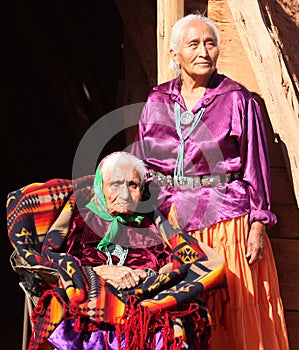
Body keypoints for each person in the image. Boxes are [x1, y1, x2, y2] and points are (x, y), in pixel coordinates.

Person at [131, 13, 290, 350]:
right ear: (175, 54)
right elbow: (141, 160)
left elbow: (255, 164)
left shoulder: (237, 99)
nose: (204, 51)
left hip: (226, 224)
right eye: (193, 44)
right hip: (171, 223)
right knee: (179, 317)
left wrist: (259, 223)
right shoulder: (158, 100)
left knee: (234, 313)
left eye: (210, 43)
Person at [7, 151, 225, 350]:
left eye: (132, 185)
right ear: (101, 187)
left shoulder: (151, 225)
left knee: (172, 326)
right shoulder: (80, 219)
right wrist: (99, 272)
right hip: (93, 298)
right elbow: (56, 259)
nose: (125, 194)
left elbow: (176, 262)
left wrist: (148, 277)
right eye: (116, 184)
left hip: (144, 300)